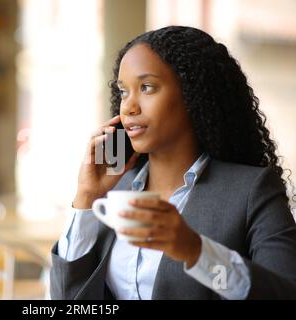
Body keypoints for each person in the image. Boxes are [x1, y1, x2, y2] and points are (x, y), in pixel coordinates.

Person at [49, 26, 296, 300]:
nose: (129, 107)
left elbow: (283, 294)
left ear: (193, 95)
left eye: (146, 87)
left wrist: (195, 251)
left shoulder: (250, 191)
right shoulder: (115, 192)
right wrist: (86, 198)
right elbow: (66, 299)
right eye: (123, 92)